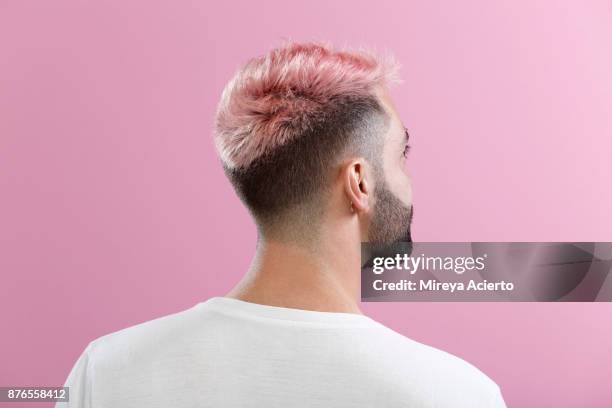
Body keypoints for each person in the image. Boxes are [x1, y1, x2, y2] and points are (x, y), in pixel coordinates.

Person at [58, 41, 506, 407]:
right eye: (400, 155)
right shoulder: (456, 393)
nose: (408, 181)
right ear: (360, 183)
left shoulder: (106, 373)